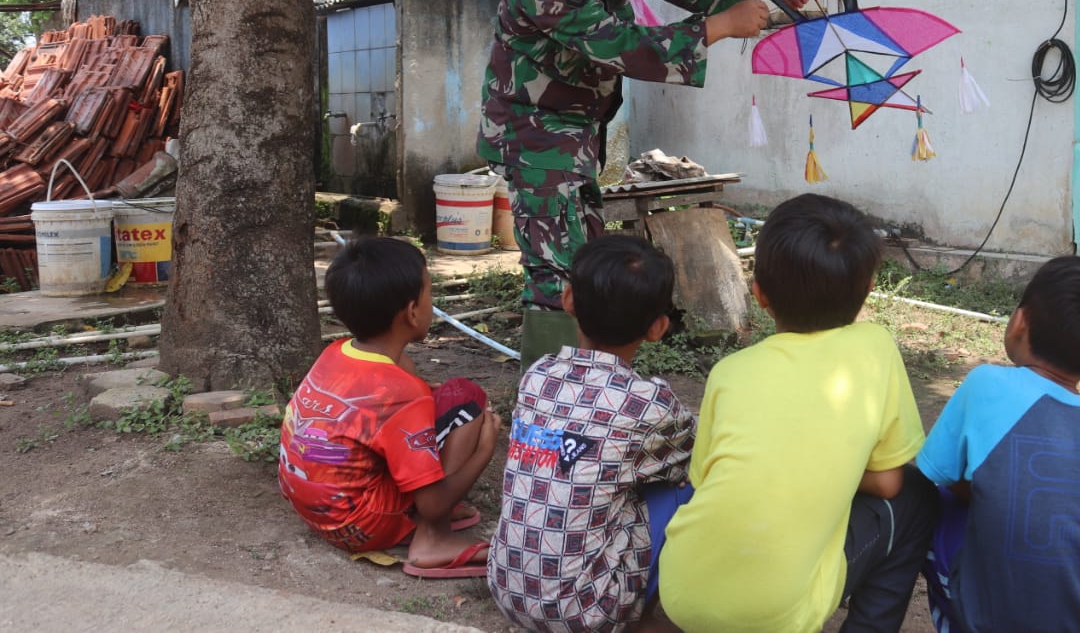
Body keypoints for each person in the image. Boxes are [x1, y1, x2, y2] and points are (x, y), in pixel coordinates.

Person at [476, 0, 810, 367]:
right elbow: (620, 46)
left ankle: (583, 384)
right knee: (557, 266)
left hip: (574, 123)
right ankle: (549, 400)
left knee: (580, 252)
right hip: (534, 130)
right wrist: (717, 28)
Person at [659, 194, 939, 633]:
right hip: (775, 616)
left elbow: (708, 477)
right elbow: (888, 483)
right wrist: (830, 467)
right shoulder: (876, 348)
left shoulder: (729, 372)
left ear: (759, 294)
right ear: (868, 289)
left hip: (682, 592)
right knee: (917, 497)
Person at [917, 256, 1080, 633]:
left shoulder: (986, 384)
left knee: (920, 502)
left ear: (1020, 322)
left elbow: (933, 475)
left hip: (998, 619)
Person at [487, 234, 697, 632]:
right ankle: (648, 613)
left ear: (568, 301)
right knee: (689, 486)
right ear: (658, 328)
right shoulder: (649, 404)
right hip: (585, 615)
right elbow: (697, 456)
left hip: (506, 587)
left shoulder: (538, 376)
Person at [278, 236, 501, 578]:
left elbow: (390, 389)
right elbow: (434, 501)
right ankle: (432, 539)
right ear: (412, 312)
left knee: (440, 399)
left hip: (317, 511)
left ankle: (414, 517)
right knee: (465, 398)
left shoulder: (336, 352)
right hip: (361, 524)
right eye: (429, 292)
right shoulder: (402, 394)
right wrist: (484, 448)